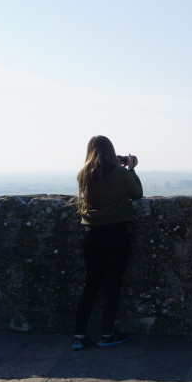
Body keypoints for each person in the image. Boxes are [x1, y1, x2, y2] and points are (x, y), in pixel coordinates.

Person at [72, 135, 142, 349]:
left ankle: (80, 336)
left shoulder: (83, 173)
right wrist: (131, 169)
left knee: (92, 283)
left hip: (91, 232)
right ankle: (107, 333)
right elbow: (137, 194)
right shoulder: (120, 173)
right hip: (115, 231)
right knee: (112, 283)